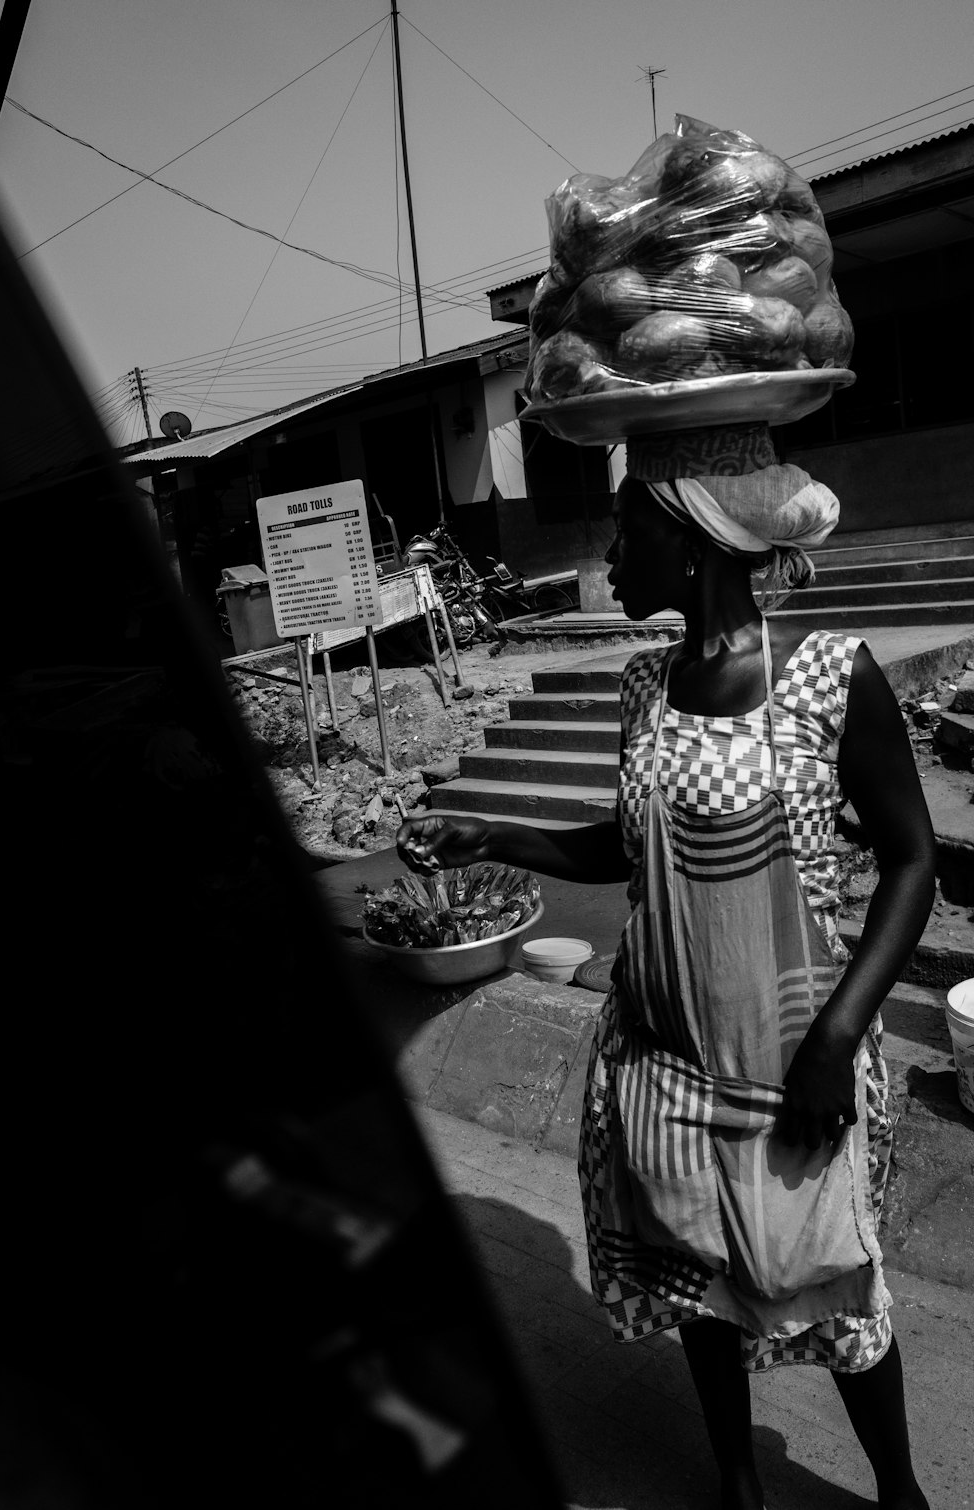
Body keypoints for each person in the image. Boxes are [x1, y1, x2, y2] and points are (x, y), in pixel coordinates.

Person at [396, 453, 936, 1510]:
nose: (607, 552)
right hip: (660, 1054)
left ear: (687, 546)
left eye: (622, 532)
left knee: (833, 1279)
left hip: (794, 1056)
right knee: (692, 1276)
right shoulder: (643, 685)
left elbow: (913, 859)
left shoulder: (829, 671)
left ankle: (901, 1494)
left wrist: (837, 1035)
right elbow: (631, 845)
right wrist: (489, 832)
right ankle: (734, 1482)